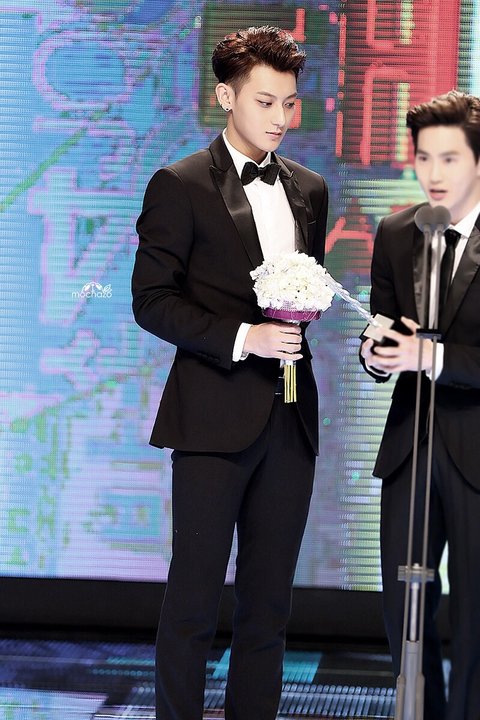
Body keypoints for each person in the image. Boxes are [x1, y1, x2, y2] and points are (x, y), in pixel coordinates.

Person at [132, 26, 328, 720]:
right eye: (265, 102)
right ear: (225, 97)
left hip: (290, 419)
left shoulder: (310, 189)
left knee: (268, 608)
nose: (280, 118)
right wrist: (246, 337)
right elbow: (151, 301)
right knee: (192, 604)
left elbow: (302, 293)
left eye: (289, 104)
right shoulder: (180, 184)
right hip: (211, 418)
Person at [360, 90, 480, 720]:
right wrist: (375, 354)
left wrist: (430, 357)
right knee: (401, 608)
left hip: (476, 448)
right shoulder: (396, 233)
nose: (433, 173)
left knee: (475, 615)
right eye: (423, 157)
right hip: (411, 447)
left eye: (449, 158)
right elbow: (383, 327)